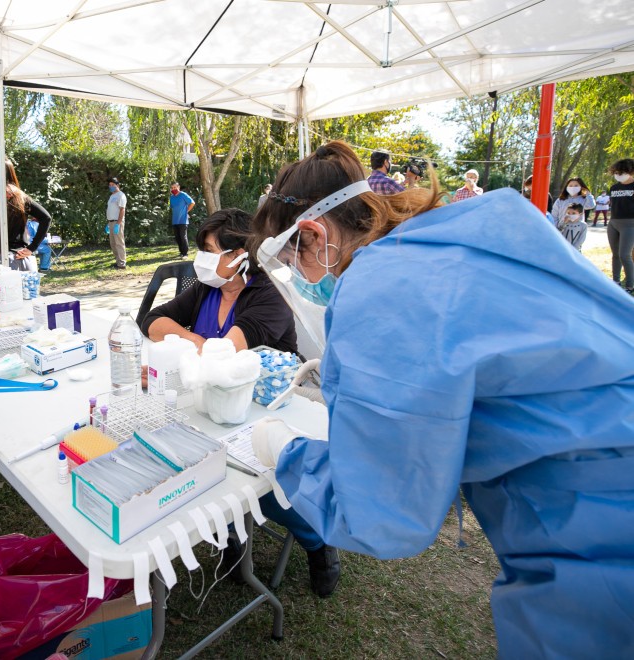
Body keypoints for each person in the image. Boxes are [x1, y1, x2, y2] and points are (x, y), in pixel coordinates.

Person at [248, 140, 634, 658]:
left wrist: (288, 452)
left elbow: (387, 511)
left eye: (291, 261)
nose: (298, 280)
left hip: (600, 535)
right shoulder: (474, 230)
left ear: (315, 234)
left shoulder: (378, 285)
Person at [141, 208, 340, 597]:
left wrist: (186, 341)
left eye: (211, 250)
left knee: (263, 485)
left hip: (267, 405)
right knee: (198, 465)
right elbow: (151, 320)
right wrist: (200, 343)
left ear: (240, 255)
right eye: (201, 250)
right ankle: (230, 534)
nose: (202, 260)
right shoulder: (206, 289)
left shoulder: (269, 295)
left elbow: (228, 351)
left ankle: (317, 543)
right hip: (211, 399)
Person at [0, 159, 51, 271]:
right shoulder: (20, 197)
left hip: (3, 263)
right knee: (28, 289)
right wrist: (32, 247)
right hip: (26, 261)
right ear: (12, 173)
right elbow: (46, 217)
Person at [607, 158, 634, 292]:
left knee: (625, 255)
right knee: (615, 254)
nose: (619, 174)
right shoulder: (614, 187)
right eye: (616, 172)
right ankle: (615, 282)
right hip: (613, 222)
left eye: (622, 172)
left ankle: (630, 285)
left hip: (630, 224)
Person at [169, 182, 195, 258]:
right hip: (175, 220)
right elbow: (173, 207)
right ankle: (181, 252)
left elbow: (192, 203)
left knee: (183, 236)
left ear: (178, 187)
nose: (173, 189)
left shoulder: (183, 195)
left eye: (175, 187)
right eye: (172, 188)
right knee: (177, 237)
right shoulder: (172, 197)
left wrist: (186, 211)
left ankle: (185, 254)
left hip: (183, 220)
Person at [107, 176, 127, 269]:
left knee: (119, 242)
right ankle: (117, 261)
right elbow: (111, 210)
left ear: (117, 185)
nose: (111, 186)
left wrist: (118, 223)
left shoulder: (121, 195)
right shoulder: (111, 196)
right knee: (113, 243)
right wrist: (108, 223)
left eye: (113, 185)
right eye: (110, 185)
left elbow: (122, 210)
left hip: (117, 222)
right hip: (111, 222)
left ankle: (122, 263)